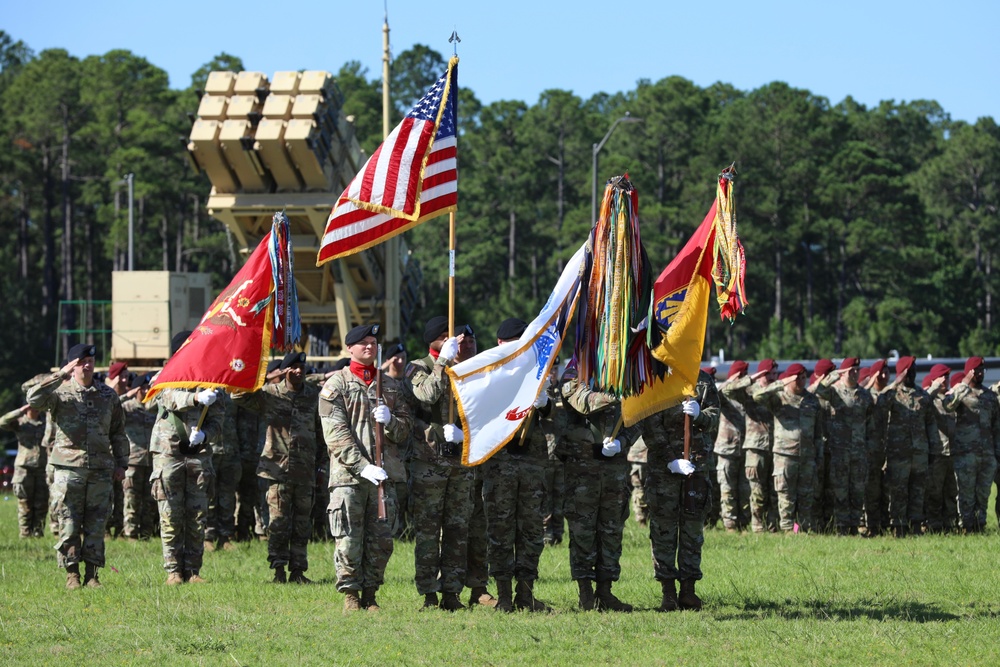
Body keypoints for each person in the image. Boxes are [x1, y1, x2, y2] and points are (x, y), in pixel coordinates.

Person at [320, 323, 412, 612]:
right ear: (350, 348)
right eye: (363, 343)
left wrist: (391, 422)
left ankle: (371, 594)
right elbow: (335, 434)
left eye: (373, 342)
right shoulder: (336, 385)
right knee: (348, 537)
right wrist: (362, 466)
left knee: (381, 540)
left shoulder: (391, 386)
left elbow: (406, 429)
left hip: (384, 476)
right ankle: (351, 595)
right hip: (349, 477)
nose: (369, 347)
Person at [27, 344, 128, 589]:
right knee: (68, 522)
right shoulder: (59, 393)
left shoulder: (107, 396)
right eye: (81, 361)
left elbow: (118, 432)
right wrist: (61, 374)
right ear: (72, 365)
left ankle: (92, 575)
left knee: (96, 524)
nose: (87, 364)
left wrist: (122, 463)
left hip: (100, 469)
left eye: (91, 360)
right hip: (68, 469)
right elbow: (33, 399)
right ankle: (72, 574)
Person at [234, 350, 326, 583]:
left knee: (302, 523)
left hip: (305, 469)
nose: (298, 371)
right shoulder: (269, 394)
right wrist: (268, 376)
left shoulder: (313, 395)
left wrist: (322, 465)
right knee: (278, 522)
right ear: (284, 371)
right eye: (293, 367)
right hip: (277, 470)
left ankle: (298, 571)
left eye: (301, 367)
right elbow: (237, 395)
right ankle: (278, 570)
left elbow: (321, 432)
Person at [481, 318, 552, 612]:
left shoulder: (536, 370)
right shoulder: (487, 372)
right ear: (500, 344)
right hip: (501, 464)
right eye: (515, 342)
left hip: (531, 464)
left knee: (531, 531)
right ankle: (504, 597)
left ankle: (525, 593)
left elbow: (549, 418)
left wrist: (544, 400)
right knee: (500, 530)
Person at [149, 331, 225, 584]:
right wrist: (194, 397)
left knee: (197, 514)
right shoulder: (165, 375)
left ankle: (193, 570)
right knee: (170, 514)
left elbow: (218, 420)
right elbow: (165, 396)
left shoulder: (211, 379)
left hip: (198, 454)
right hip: (168, 453)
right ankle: (173, 570)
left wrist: (205, 435)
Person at [407, 317, 473, 610]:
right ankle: (429, 593)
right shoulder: (418, 366)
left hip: (460, 458)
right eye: (447, 336)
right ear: (434, 339)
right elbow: (426, 394)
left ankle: (452, 592)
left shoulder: (464, 367)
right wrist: (442, 362)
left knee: (458, 530)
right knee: (429, 530)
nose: (454, 341)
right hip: (429, 461)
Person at [640, 369, 720, 611]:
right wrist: (670, 459)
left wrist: (700, 416)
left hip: (697, 466)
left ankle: (688, 591)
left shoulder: (703, 380)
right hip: (664, 470)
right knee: (663, 531)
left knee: (692, 531)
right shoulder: (656, 378)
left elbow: (714, 415)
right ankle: (668, 593)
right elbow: (650, 425)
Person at [559, 374, 639, 611]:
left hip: (614, 469)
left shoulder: (620, 375)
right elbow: (586, 402)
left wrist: (623, 442)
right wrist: (622, 393)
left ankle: (606, 593)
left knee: (611, 530)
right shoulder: (574, 377)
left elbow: (637, 419)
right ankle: (585, 593)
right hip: (582, 470)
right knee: (583, 531)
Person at [753, 363, 822, 533]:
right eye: (796, 378)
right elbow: (757, 396)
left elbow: (818, 432)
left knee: (806, 494)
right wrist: (781, 383)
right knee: (785, 495)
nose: (800, 381)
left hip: (807, 456)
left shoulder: (812, 400)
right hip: (785, 455)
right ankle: (787, 529)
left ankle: (803, 529)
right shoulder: (779, 398)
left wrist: (818, 456)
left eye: (803, 377)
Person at [879, 356, 940, 537]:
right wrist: (894, 383)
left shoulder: (923, 396)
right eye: (908, 370)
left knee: (918, 491)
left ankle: (915, 526)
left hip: (920, 453)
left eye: (913, 370)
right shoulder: (893, 395)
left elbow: (931, 424)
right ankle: (898, 527)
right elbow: (880, 403)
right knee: (898, 491)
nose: (912, 374)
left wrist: (934, 449)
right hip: (899, 454)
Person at [813, 358, 874, 535]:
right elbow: (819, 390)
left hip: (859, 451)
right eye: (851, 370)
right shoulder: (835, 392)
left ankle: (854, 526)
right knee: (840, 490)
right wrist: (833, 376)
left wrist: (867, 445)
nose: (855, 373)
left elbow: (869, 422)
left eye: (857, 370)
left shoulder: (864, 395)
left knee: (857, 490)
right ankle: (841, 527)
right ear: (843, 372)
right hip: (839, 450)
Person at [944, 356, 999, 533]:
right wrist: (963, 384)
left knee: (983, 494)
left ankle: (980, 525)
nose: (981, 373)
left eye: (983, 370)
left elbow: (996, 427)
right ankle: (966, 526)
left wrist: (996, 453)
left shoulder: (990, 397)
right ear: (969, 372)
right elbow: (948, 406)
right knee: (966, 493)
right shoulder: (961, 392)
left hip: (987, 454)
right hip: (966, 453)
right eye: (977, 370)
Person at [724, 359, 778, 532]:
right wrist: (751, 378)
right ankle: (757, 525)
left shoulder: (776, 392)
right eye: (768, 373)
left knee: (774, 490)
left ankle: (772, 526)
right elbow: (727, 390)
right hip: (756, 447)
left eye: (774, 374)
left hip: (775, 448)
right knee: (756, 490)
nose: (772, 377)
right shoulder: (748, 391)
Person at [1, 386, 48, 538]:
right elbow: (3, 422)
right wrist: (21, 410)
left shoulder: (46, 422)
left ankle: (38, 533)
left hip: (42, 468)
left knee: (41, 504)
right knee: (25, 504)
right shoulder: (20, 423)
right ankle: (25, 534)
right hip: (24, 469)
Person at [120, 373, 158, 540]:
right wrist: (127, 394)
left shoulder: (153, 408)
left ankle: (146, 533)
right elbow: (110, 406)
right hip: (133, 461)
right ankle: (131, 534)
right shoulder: (127, 408)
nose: (145, 390)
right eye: (141, 387)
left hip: (151, 461)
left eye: (147, 387)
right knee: (131, 499)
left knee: (150, 500)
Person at [714, 361, 749, 532]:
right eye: (741, 374)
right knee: (727, 488)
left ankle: (743, 523)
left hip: (744, 448)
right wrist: (731, 380)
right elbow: (717, 392)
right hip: (726, 449)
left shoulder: (746, 395)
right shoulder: (725, 395)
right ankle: (730, 525)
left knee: (744, 489)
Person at [922, 364, 957, 533]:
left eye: (947, 377)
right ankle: (934, 526)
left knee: (951, 492)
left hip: (952, 454)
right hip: (937, 454)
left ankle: (950, 525)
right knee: (934, 493)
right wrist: (933, 388)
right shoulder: (930, 400)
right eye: (942, 378)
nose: (945, 381)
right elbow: (920, 403)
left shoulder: (951, 400)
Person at [103, 361, 130, 538]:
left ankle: (120, 529)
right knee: (105, 493)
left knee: (121, 494)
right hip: (105, 452)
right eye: (123, 374)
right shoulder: (104, 394)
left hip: (121, 451)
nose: (126, 378)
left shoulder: (128, 394)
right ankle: (104, 529)